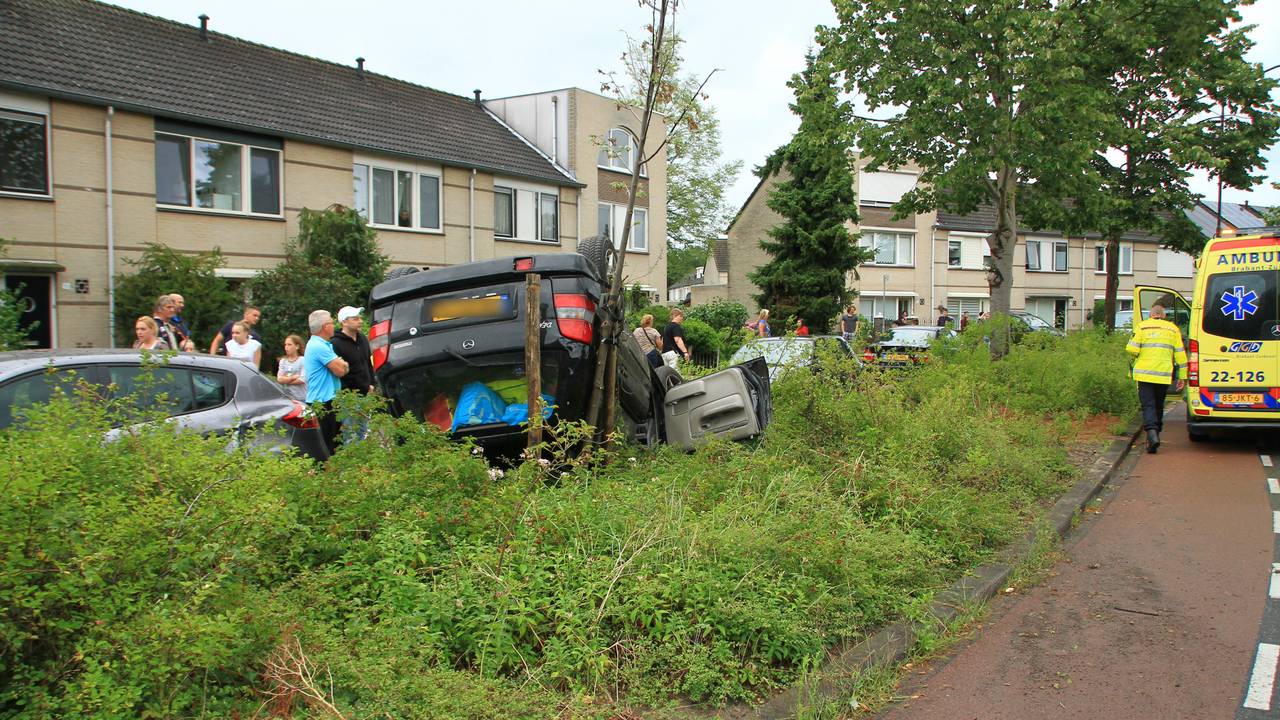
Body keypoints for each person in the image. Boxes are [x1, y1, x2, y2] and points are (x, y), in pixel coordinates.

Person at [1126, 304, 1187, 453]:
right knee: (1159, 404)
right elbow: (1180, 354)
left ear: (1150, 315)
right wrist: (1183, 377)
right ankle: (1156, 432)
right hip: (1163, 374)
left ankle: (1152, 434)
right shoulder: (1173, 329)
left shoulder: (1142, 327)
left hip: (1144, 374)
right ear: (1164, 316)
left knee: (1148, 405)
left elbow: (1132, 348)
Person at [304, 309, 349, 455]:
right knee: (328, 446)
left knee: (336, 443)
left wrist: (341, 364)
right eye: (331, 322)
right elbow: (341, 370)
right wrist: (342, 363)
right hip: (322, 403)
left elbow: (340, 367)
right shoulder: (318, 346)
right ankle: (327, 475)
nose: (334, 326)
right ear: (325, 326)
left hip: (329, 400)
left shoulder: (322, 345)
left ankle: (334, 474)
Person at [276, 334, 307, 401]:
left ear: (297, 346)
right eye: (285, 345)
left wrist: (285, 380)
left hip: (301, 398)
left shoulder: (303, 360)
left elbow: (302, 380)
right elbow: (279, 379)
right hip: (287, 398)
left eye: (289, 345)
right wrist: (292, 378)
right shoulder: (283, 361)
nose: (286, 347)